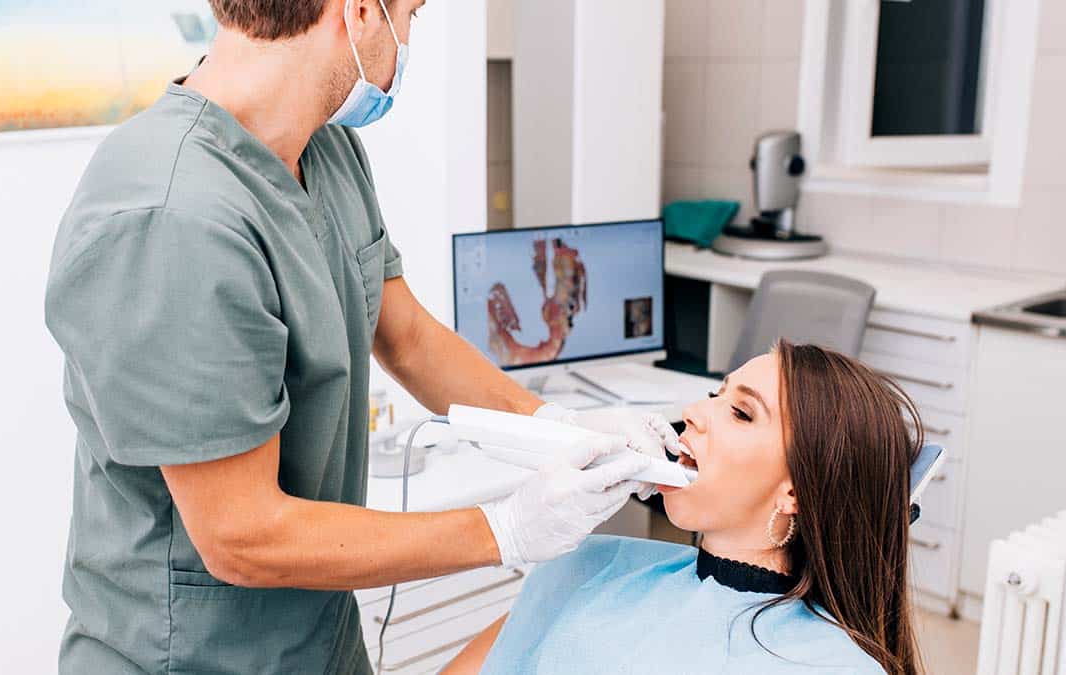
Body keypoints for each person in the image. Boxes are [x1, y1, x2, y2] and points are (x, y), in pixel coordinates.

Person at [43, 1, 668, 673]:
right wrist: (506, 528)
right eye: (413, 13)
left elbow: (408, 339)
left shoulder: (328, 148)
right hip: (193, 657)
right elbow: (241, 537)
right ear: (362, 10)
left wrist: (562, 425)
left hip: (319, 640)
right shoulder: (173, 217)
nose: (409, 39)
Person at [444, 340, 925, 675]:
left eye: (740, 412)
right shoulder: (587, 565)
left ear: (795, 492)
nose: (695, 411)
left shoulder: (830, 666)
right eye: (717, 393)